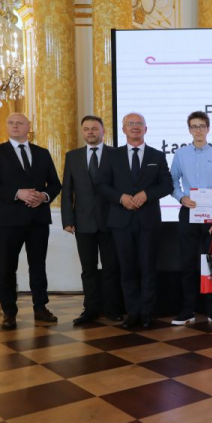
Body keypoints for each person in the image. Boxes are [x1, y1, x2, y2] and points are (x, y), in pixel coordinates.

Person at [0, 113, 62, 330]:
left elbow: (55, 184)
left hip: (38, 220)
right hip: (8, 221)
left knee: (38, 266)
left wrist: (43, 197)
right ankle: (9, 312)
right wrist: (18, 193)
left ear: (28, 127)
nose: (14, 126)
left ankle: (40, 308)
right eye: (11, 123)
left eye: (19, 123)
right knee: (7, 267)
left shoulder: (42, 154)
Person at [97, 112, 173, 329]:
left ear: (146, 129)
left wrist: (146, 194)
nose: (135, 127)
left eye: (139, 124)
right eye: (130, 124)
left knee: (148, 269)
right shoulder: (112, 155)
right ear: (123, 130)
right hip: (120, 222)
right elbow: (101, 185)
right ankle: (132, 313)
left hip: (148, 221)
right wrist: (120, 198)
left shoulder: (157, 156)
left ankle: (146, 314)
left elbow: (167, 185)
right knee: (127, 269)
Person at [61, 115, 123, 325]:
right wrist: (67, 220)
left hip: (111, 222)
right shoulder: (73, 156)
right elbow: (67, 191)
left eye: (94, 129)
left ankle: (112, 309)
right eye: (86, 129)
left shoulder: (116, 155)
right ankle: (90, 310)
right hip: (82, 223)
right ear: (82, 132)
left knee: (110, 269)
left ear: (103, 131)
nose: (90, 132)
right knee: (88, 269)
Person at [170, 111, 212, 326]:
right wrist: (181, 197)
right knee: (188, 264)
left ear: (208, 128)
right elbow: (172, 181)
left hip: (211, 215)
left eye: (201, 126)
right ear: (189, 130)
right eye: (194, 126)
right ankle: (188, 310)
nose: (198, 130)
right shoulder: (180, 154)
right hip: (188, 213)